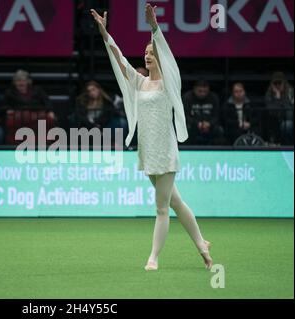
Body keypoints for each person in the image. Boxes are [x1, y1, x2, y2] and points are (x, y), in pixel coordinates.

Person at [91, 4, 213, 271]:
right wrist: (104, 31)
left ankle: (153, 258)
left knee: (161, 208)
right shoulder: (139, 82)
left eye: (151, 52)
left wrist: (154, 27)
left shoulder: (170, 83)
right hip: (147, 151)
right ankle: (202, 244)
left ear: (160, 56)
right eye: (145, 53)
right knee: (176, 202)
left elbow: (165, 52)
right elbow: (119, 59)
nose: (147, 56)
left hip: (166, 151)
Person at [4, 70, 56, 145]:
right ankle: (16, 145)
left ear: (28, 81)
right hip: (19, 115)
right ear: (14, 82)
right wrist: (9, 110)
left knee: (49, 119)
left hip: (37, 114)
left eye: (23, 81)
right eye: (18, 81)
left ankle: (44, 144)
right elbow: (5, 106)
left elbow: (47, 102)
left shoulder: (37, 90)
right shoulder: (10, 92)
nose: (21, 83)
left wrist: (50, 111)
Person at [183, 79, 226, 145]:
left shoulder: (214, 97)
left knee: (220, 130)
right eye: (200, 91)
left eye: (205, 91)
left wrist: (209, 124)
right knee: (186, 130)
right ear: (194, 89)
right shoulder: (187, 97)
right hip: (193, 125)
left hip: (210, 126)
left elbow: (217, 115)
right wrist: (197, 124)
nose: (202, 93)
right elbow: (184, 115)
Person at [265, 72, 294, 145]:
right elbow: (272, 111)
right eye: (275, 83)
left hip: (290, 118)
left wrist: (281, 100)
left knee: (288, 125)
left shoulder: (290, 92)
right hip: (275, 121)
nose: (278, 85)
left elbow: (289, 109)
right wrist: (277, 97)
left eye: (279, 83)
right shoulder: (269, 94)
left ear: (284, 83)